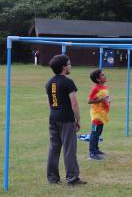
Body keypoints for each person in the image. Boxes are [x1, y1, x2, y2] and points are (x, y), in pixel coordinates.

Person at [45, 54, 86, 185]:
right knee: (69, 149)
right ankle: (72, 178)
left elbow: (50, 103)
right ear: (63, 67)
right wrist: (78, 119)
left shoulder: (49, 82)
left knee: (54, 148)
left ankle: (52, 178)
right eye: (69, 64)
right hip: (66, 119)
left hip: (53, 117)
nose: (70, 66)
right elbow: (74, 103)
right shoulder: (68, 82)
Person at [87, 69, 110, 160]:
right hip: (96, 115)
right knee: (94, 133)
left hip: (102, 115)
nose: (105, 76)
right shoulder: (95, 89)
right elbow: (89, 101)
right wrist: (101, 100)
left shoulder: (104, 87)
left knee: (99, 132)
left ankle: (96, 150)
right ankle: (92, 152)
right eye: (102, 75)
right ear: (98, 79)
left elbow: (106, 98)